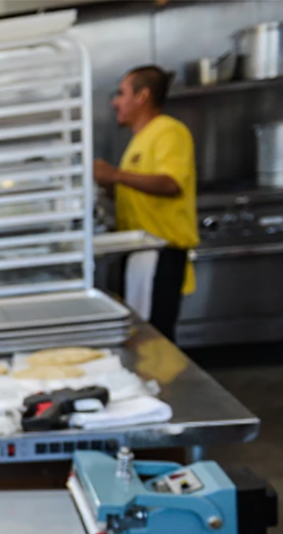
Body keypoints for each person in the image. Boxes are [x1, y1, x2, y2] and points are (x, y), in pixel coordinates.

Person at [93, 65, 197, 340]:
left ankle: (160, 371)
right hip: (141, 253)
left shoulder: (169, 131)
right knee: (142, 334)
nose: (115, 102)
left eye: (121, 93)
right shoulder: (140, 140)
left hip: (160, 251)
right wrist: (108, 184)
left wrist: (115, 174)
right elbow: (135, 192)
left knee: (153, 338)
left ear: (142, 96)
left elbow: (171, 183)